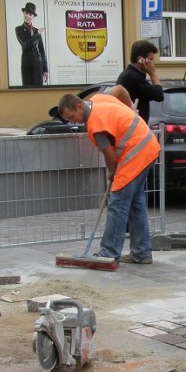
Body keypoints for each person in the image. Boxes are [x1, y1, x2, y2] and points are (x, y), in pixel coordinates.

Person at [58, 88, 160, 265]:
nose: (71, 122)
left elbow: (110, 157)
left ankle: (108, 253)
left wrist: (113, 174)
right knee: (135, 204)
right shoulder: (101, 98)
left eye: (71, 117)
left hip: (135, 154)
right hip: (149, 146)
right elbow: (121, 90)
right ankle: (142, 253)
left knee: (118, 203)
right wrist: (130, 108)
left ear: (79, 107)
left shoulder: (96, 124)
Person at [116, 40, 164, 123]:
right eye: (150, 59)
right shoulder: (133, 77)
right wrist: (153, 73)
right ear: (140, 59)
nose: (152, 63)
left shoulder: (130, 74)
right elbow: (159, 95)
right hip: (132, 128)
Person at [15, 2, 48, 87]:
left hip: (38, 66)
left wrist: (45, 69)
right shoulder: (18, 29)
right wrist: (38, 34)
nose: (28, 16)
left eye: (30, 14)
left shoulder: (36, 31)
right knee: (27, 91)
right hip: (27, 66)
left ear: (33, 17)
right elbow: (26, 45)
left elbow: (42, 51)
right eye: (26, 13)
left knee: (40, 92)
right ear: (23, 13)